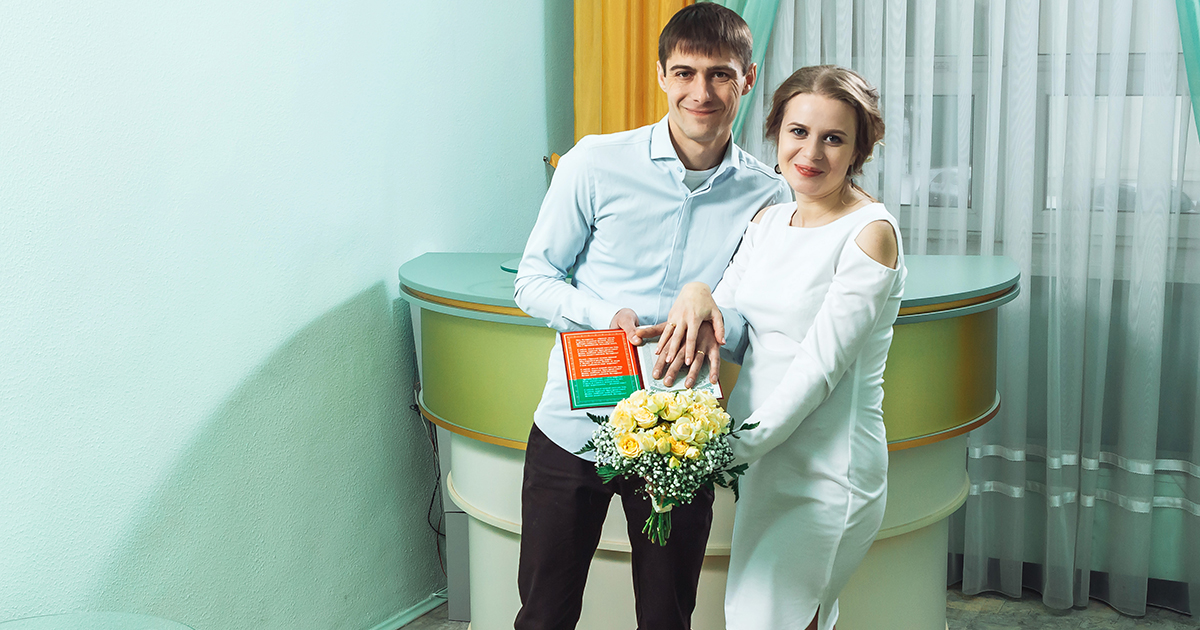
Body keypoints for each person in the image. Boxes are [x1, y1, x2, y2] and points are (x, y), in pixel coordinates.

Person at [511, 4, 791, 629]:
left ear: (748, 79)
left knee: (668, 618)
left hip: (681, 437)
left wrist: (716, 317)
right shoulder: (594, 163)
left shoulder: (769, 196)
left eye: (720, 74)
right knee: (544, 615)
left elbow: (759, 325)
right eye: (685, 72)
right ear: (661, 75)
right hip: (573, 426)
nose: (701, 92)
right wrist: (603, 313)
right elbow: (533, 281)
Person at [646, 65, 904, 630]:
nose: (810, 152)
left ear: (859, 148)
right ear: (776, 132)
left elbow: (817, 371)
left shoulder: (870, 233)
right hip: (767, 463)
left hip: (828, 471)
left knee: (782, 619)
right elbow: (723, 320)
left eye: (833, 138)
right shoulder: (768, 221)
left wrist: (720, 452)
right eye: (798, 132)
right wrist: (696, 293)